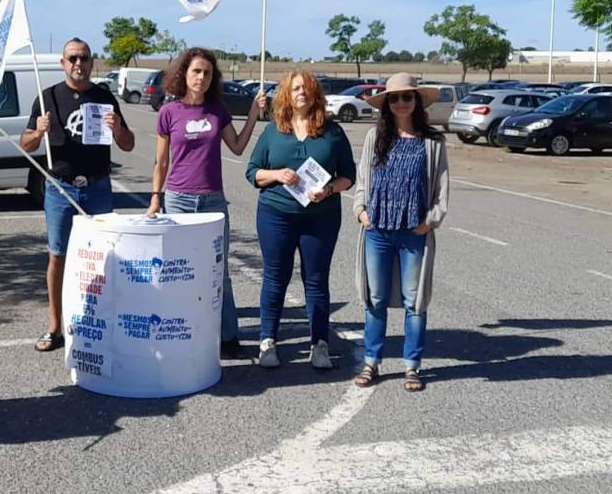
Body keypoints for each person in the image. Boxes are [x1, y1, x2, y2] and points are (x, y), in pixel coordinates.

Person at [145, 47, 266, 359]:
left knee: (218, 270)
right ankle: (181, 333)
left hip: (212, 201)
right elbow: (160, 162)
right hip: (178, 201)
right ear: (184, 73)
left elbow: (237, 147)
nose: (201, 77)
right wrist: (155, 199)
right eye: (196, 71)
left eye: (207, 73)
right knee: (179, 271)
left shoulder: (218, 111)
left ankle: (227, 337)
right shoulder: (168, 113)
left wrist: (254, 112)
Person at [21, 38, 136, 351]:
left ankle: (99, 320)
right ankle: (55, 327)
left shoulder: (104, 96)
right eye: (72, 58)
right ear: (63, 63)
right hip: (61, 187)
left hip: (97, 187)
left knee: (102, 256)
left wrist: (117, 129)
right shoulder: (48, 98)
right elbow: (25, 144)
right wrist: (38, 131)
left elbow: (128, 144)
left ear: (92, 62)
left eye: (84, 58)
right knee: (57, 255)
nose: (78, 64)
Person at [245, 70, 355, 369]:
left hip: (321, 217)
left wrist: (329, 189)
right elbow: (252, 171)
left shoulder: (332, 132)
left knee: (316, 280)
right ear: (286, 94)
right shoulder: (273, 131)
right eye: (295, 89)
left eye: (307, 89)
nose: (301, 93)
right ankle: (268, 341)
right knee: (275, 277)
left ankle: (319, 344)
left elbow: (349, 176)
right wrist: (276, 175)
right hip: (276, 215)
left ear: (316, 94)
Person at [351, 73, 449, 392]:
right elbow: (362, 181)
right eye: (394, 98)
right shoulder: (374, 137)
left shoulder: (433, 142)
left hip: (413, 232)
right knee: (375, 298)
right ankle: (372, 361)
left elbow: (441, 191)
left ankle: (412, 366)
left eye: (407, 97)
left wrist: (431, 221)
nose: (401, 103)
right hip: (378, 229)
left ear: (417, 102)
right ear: (387, 105)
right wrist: (362, 212)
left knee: (414, 301)